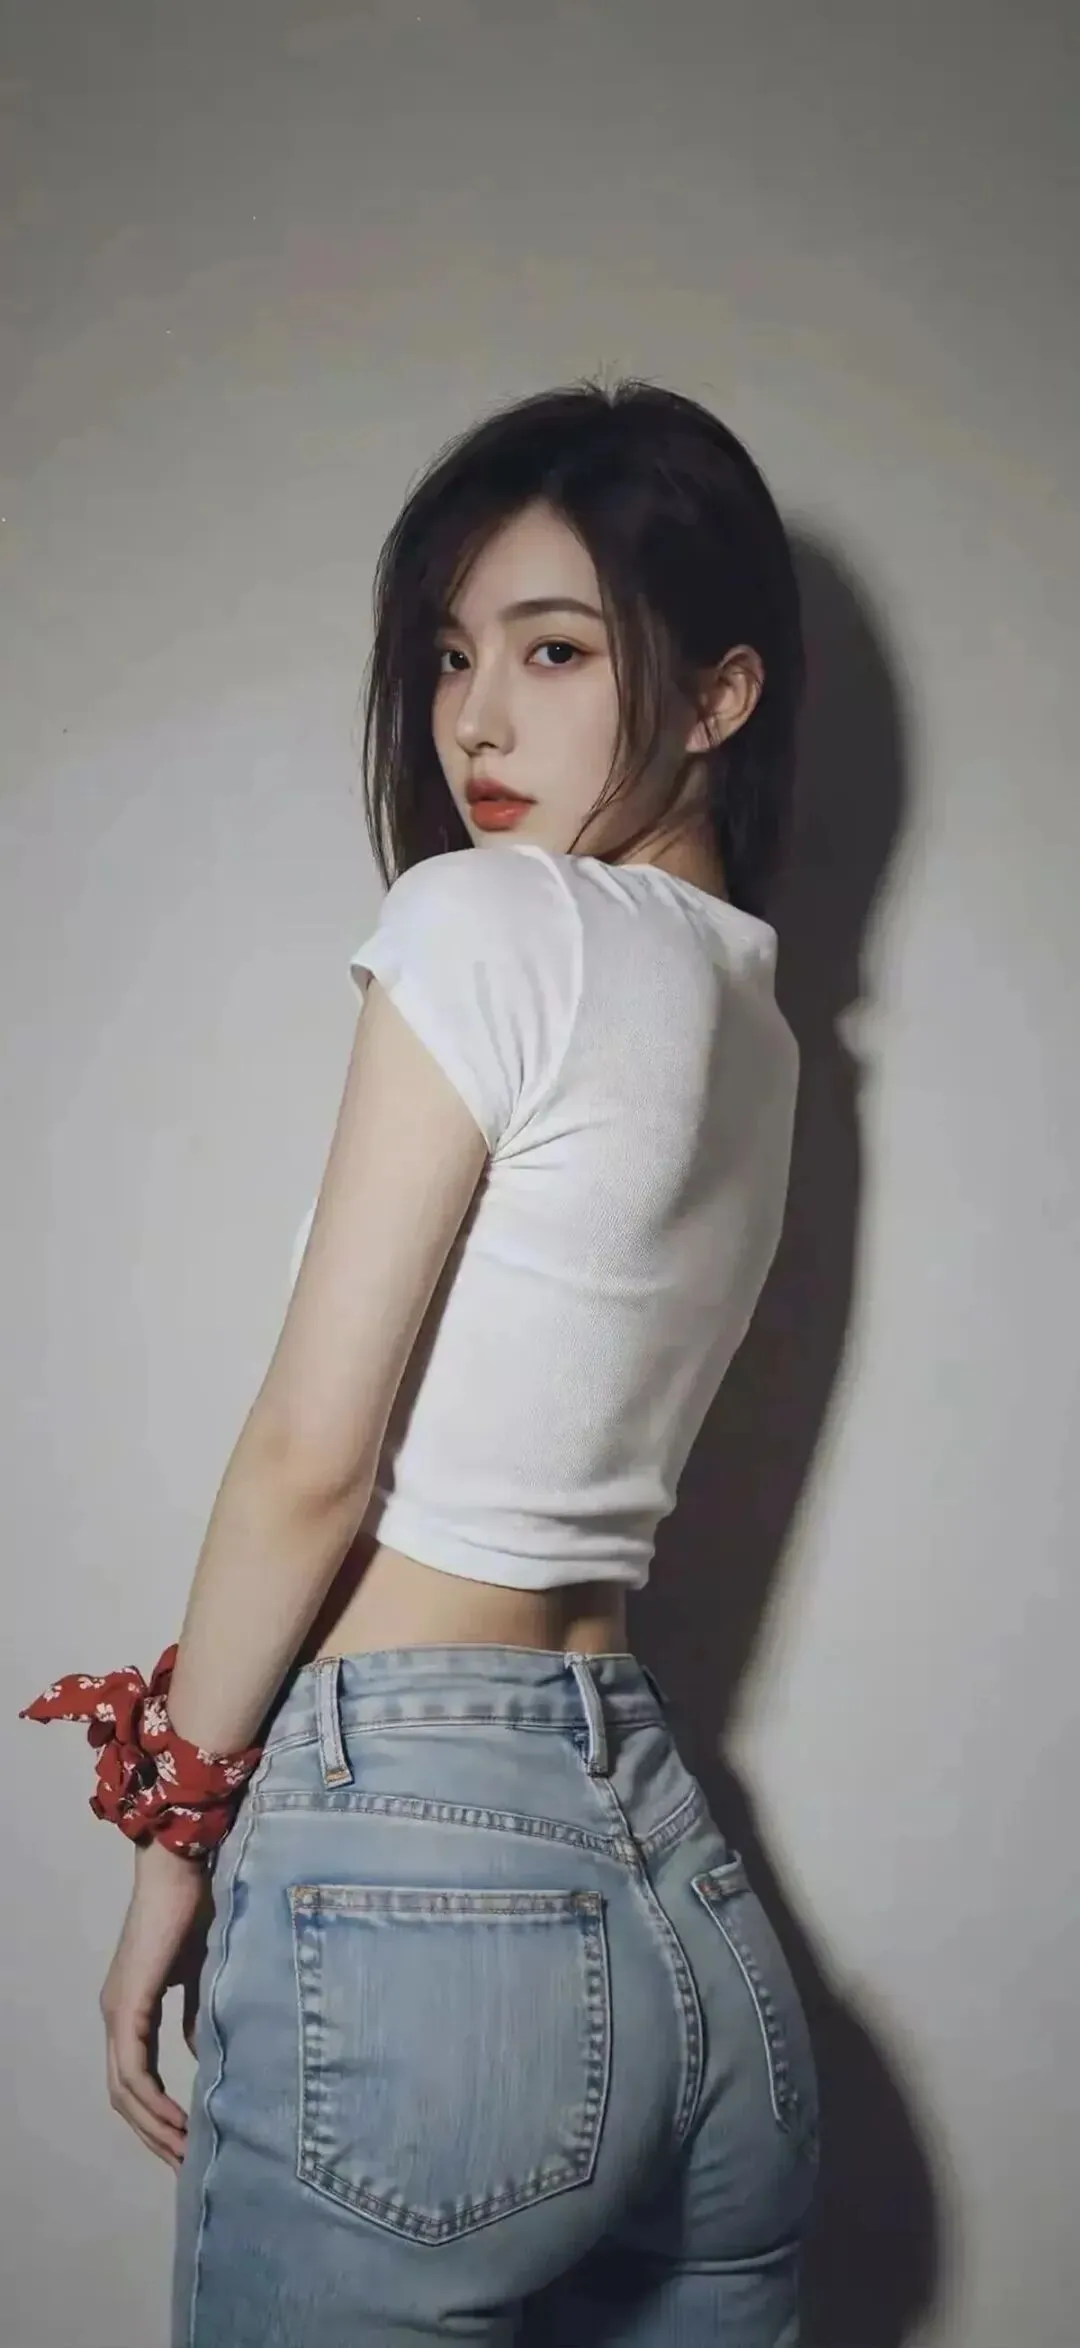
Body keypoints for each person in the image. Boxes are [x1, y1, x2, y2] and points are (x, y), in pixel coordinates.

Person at [24, 379, 820, 2346]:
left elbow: (317, 1455)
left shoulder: (493, 921)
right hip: (688, 1907)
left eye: (556, 652)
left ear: (720, 695)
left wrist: (173, 1838)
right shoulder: (760, 1026)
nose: (474, 720)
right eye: (452, 655)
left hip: (425, 1874)